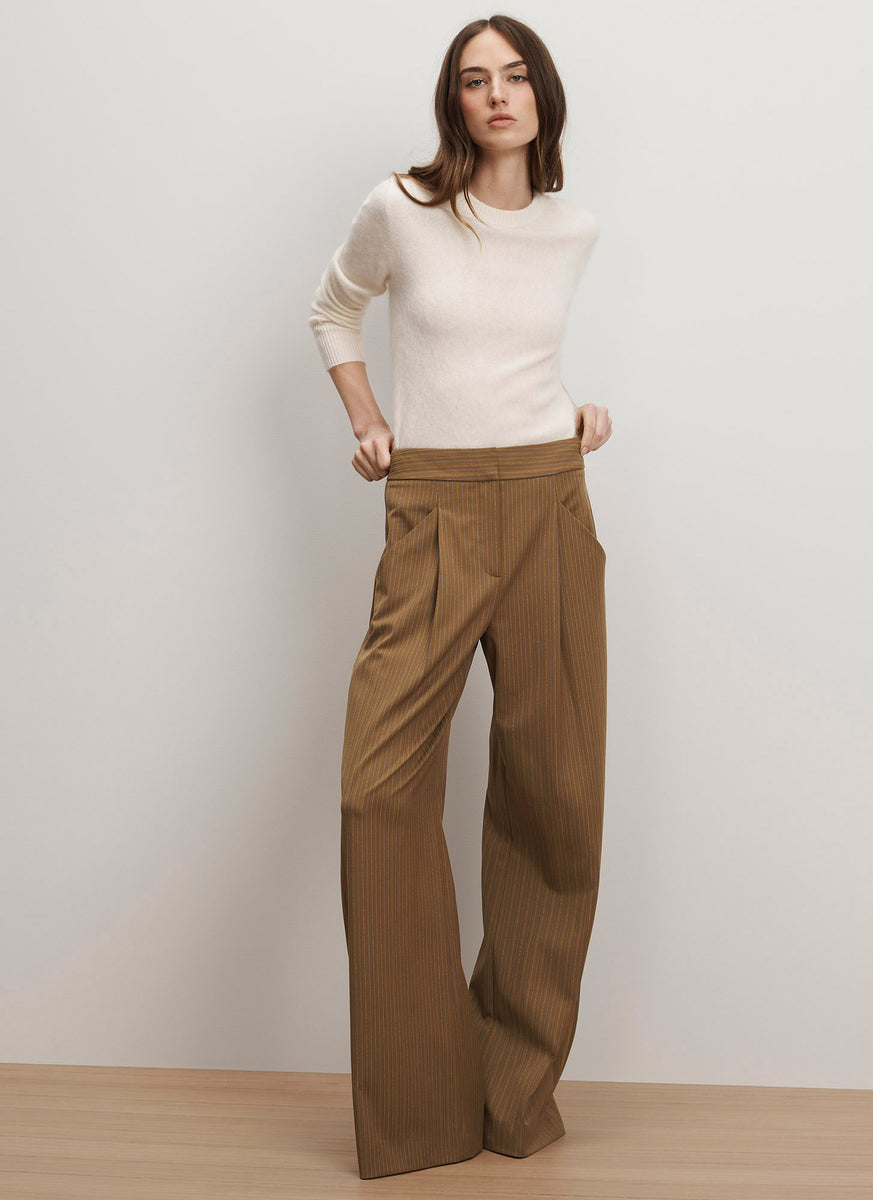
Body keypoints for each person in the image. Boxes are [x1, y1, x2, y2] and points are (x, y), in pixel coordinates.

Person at [307, 14, 612, 1181]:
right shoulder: (399, 207)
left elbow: (509, 359)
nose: (497, 94)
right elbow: (334, 309)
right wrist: (370, 422)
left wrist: (573, 411)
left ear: (542, 95)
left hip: (546, 499)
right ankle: (422, 1106)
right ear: (453, 102)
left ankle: (511, 1091)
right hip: (431, 509)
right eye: (475, 79)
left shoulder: (573, 228)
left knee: (554, 798)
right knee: (376, 792)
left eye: (515, 75)